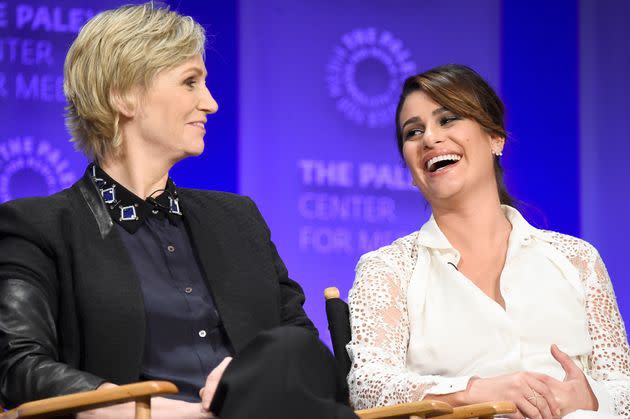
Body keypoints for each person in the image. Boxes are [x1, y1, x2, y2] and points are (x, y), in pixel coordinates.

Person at [0, 4, 356, 419]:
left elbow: (302, 348)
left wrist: (247, 374)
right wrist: (150, 408)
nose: (211, 103)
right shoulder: (38, 227)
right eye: (191, 82)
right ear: (124, 95)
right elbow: (19, 367)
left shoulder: (238, 219)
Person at [346, 64, 630, 418]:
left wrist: (588, 399)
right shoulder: (388, 269)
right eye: (413, 132)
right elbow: (368, 387)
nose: (430, 138)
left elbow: (623, 386)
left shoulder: (576, 259)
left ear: (496, 138)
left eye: (447, 120)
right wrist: (475, 391)